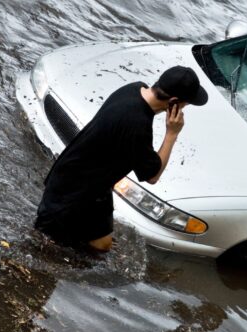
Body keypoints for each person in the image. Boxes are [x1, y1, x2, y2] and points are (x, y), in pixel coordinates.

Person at [33, 66, 208, 252]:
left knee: (102, 246)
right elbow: (153, 176)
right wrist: (172, 134)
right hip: (71, 194)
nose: (184, 109)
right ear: (174, 101)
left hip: (93, 186)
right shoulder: (137, 124)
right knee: (44, 247)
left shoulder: (133, 89)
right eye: (185, 104)